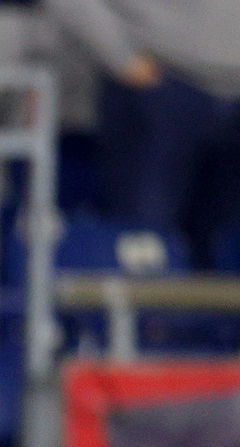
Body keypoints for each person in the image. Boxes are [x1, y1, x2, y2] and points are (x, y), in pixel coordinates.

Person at [42, 0, 240, 273]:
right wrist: (122, 56)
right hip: (161, 86)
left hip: (230, 94)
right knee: (144, 247)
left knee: (223, 256)